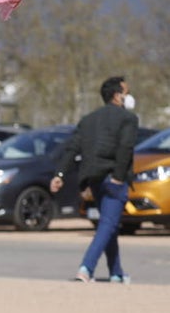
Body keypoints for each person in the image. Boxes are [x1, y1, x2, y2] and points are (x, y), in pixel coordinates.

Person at [50, 76, 137, 283]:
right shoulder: (128, 119)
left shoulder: (88, 119)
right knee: (108, 224)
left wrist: (59, 174)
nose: (129, 97)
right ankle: (86, 268)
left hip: (94, 179)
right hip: (113, 179)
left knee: (109, 225)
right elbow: (125, 148)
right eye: (126, 93)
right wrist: (118, 177)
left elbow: (72, 148)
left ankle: (116, 272)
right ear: (117, 96)